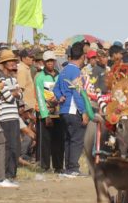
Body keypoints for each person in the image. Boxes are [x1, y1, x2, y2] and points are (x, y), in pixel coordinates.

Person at [54, 42, 89, 177]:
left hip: (63, 110)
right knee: (76, 139)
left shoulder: (63, 71)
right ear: (82, 57)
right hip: (74, 109)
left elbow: (56, 88)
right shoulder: (76, 71)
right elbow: (77, 92)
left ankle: (68, 168)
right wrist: (83, 111)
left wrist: (60, 97)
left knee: (68, 139)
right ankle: (73, 168)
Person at [0, 50, 22, 187]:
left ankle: (12, 173)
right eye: (10, 62)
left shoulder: (13, 79)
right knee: (7, 147)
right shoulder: (0, 78)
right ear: (4, 64)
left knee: (15, 147)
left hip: (14, 116)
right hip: (4, 117)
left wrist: (15, 93)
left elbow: (20, 95)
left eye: (13, 61)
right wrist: (15, 93)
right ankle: (5, 174)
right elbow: (10, 97)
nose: (13, 63)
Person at [35, 51, 64, 173]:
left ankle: (58, 166)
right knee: (45, 142)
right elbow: (40, 97)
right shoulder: (40, 77)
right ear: (43, 62)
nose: (50, 63)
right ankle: (45, 166)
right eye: (48, 61)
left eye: (52, 60)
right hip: (46, 113)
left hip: (59, 113)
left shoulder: (59, 75)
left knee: (58, 141)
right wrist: (45, 115)